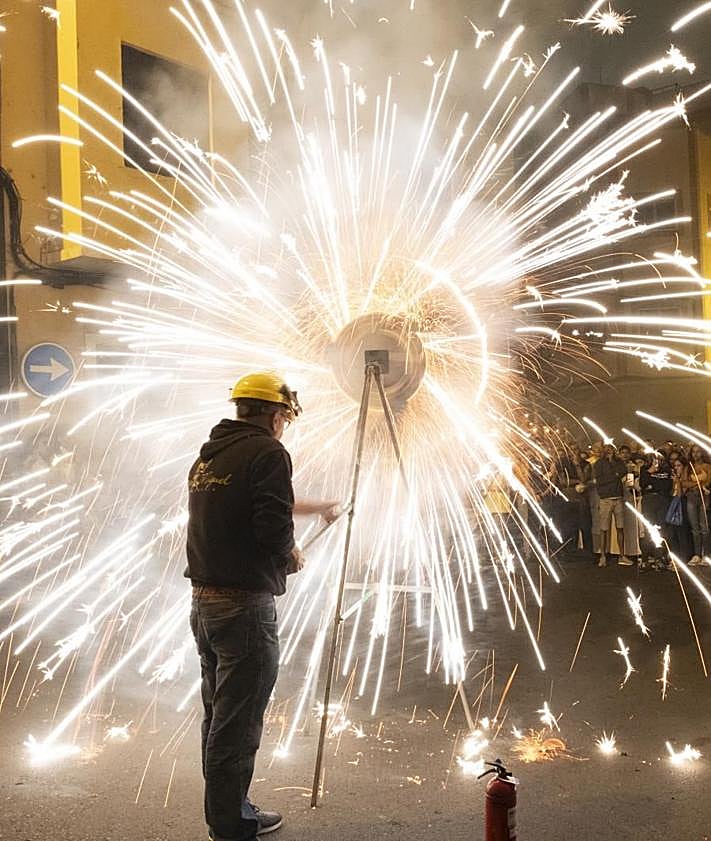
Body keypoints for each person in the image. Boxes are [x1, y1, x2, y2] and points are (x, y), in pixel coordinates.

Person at [186, 372, 337, 841]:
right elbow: (271, 523)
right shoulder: (270, 452)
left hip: (205, 605)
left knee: (219, 715)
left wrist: (315, 508)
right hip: (243, 608)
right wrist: (288, 554)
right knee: (239, 720)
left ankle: (229, 810)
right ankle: (231, 824)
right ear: (275, 416)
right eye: (285, 419)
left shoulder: (212, 454)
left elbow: (251, 501)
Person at [593, 444, 630, 567]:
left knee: (620, 527)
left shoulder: (618, 462)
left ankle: (622, 555)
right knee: (604, 528)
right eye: (607, 449)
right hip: (605, 499)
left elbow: (623, 471)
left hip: (618, 497)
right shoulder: (599, 464)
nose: (609, 452)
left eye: (611, 449)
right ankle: (603, 556)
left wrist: (613, 465)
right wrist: (614, 475)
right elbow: (599, 480)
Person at [639, 451, 672, 570]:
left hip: (662, 500)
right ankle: (645, 558)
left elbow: (666, 486)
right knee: (648, 529)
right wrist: (650, 472)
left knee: (661, 529)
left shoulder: (667, 470)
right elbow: (643, 484)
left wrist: (652, 485)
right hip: (648, 501)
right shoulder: (644, 469)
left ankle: (659, 558)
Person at [682, 445, 711, 566]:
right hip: (692, 498)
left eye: (698, 452)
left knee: (705, 528)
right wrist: (698, 483)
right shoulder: (688, 467)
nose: (695, 454)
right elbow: (684, 483)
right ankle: (697, 554)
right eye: (693, 452)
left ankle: (707, 555)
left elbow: (709, 481)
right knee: (695, 529)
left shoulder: (708, 466)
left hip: (704, 497)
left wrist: (694, 484)